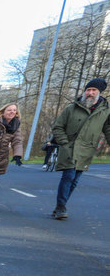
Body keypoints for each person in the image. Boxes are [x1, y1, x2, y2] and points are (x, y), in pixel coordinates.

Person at [50, 78, 110, 220]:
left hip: (87, 149)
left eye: (93, 90)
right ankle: (61, 207)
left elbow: (108, 129)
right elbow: (57, 127)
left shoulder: (105, 111)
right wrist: (64, 143)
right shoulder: (71, 108)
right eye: (88, 90)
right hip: (70, 147)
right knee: (68, 176)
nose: (90, 93)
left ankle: (60, 205)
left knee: (75, 180)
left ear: (99, 93)